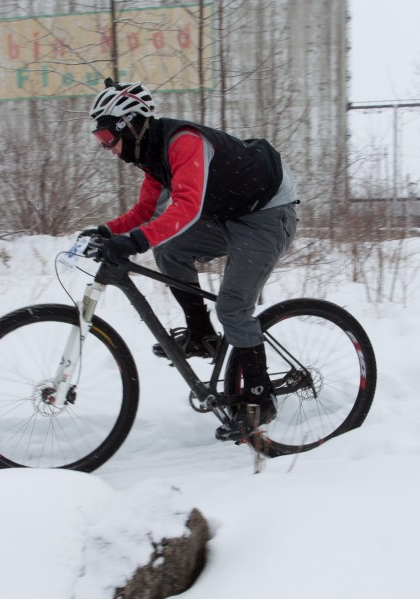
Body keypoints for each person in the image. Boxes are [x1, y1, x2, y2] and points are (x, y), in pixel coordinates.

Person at [81, 79, 298, 439]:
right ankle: (200, 333)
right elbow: (146, 210)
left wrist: (134, 242)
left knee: (233, 308)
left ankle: (261, 399)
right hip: (230, 215)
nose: (107, 148)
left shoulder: (184, 143)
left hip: (268, 214)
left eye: (107, 137)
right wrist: (106, 231)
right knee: (169, 249)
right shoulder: (152, 157)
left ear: (130, 124)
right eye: (99, 140)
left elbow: (186, 207)